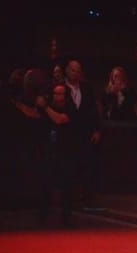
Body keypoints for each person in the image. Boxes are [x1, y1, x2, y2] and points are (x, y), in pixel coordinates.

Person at [63, 59, 102, 209]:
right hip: (66, 136)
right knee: (69, 169)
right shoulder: (60, 88)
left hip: (84, 135)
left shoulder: (86, 88)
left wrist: (97, 129)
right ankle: (69, 200)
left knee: (87, 167)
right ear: (67, 71)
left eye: (78, 70)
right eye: (73, 70)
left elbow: (93, 110)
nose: (76, 73)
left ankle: (88, 199)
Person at [36, 85, 76, 225]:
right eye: (55, 93)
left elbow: (59, 119)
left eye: (61, 94)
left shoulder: (71, 108)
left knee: (66, 186)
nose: (58, 97)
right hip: (50, 151)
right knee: (45, 184)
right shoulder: (46, 108)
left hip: (66, 152)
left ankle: (67, 217)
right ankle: (43, 216)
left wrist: (45, 107)